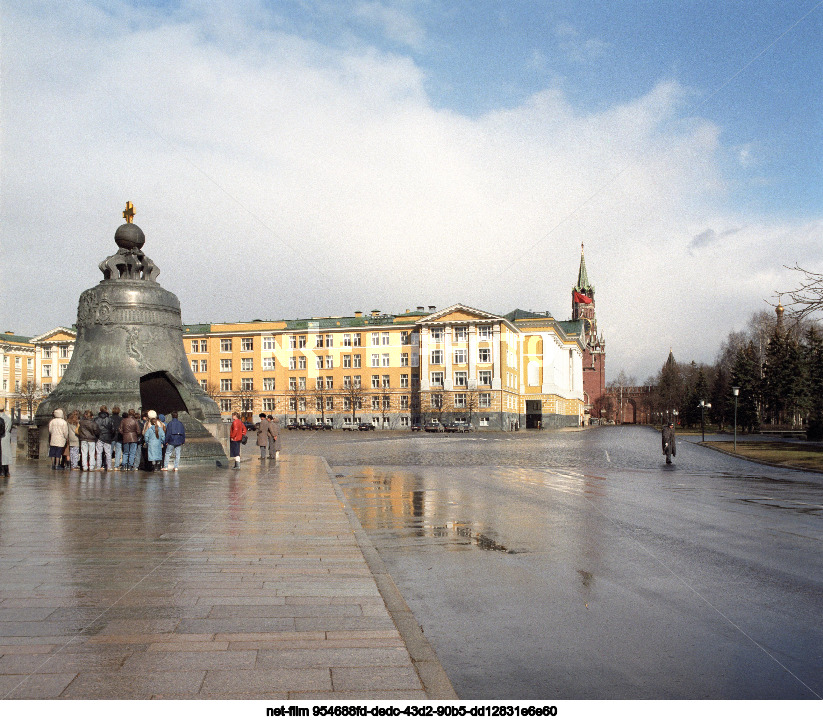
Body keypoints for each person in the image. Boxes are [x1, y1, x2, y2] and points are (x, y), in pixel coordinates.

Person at [95, 405, 115, 471]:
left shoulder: (96, 419)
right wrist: (111, 435)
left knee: (99, 453)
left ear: (100, 410)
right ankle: (109, 467)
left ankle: (98, 467)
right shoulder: (110, 419)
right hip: (107, 437)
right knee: (108, 453)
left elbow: (94, 429)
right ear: (106, 410)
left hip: (99, 437)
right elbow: (113, 429)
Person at [0, 406, 12, 478]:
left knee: (1, 454)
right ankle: (7, 471)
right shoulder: (8, 418)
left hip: (1, 436)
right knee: (6, 453)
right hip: (7, 436)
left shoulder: (1, 418)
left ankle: (1, 472)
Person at [110, 406, 123, 471]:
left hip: (111, 437)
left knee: (110, 451)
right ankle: (116, 466)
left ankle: (108, 465)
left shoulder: (110, 418)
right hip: (119, 437)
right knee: (118, 452)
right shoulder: (121, 419)